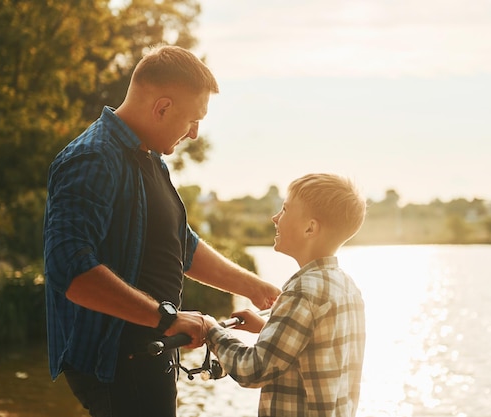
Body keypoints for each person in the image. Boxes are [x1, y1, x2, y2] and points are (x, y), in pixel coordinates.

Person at [43, 44, 281, 417]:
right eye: (193, 120)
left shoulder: (150, 158)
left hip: (150, 353)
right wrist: (168, 318)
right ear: (163, 108)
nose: (195, 134)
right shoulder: (91, 159)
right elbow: (69, 269)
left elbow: (181, 246)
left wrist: (257, 289)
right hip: (117, 364)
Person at [203, 173, 367, 417]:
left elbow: (253, 370)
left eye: (285, 209)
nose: (275, 218)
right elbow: (316, 347)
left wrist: (211, 330)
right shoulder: (347, 286)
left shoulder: (303, 291)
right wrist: (268, 327)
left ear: (310, 227)